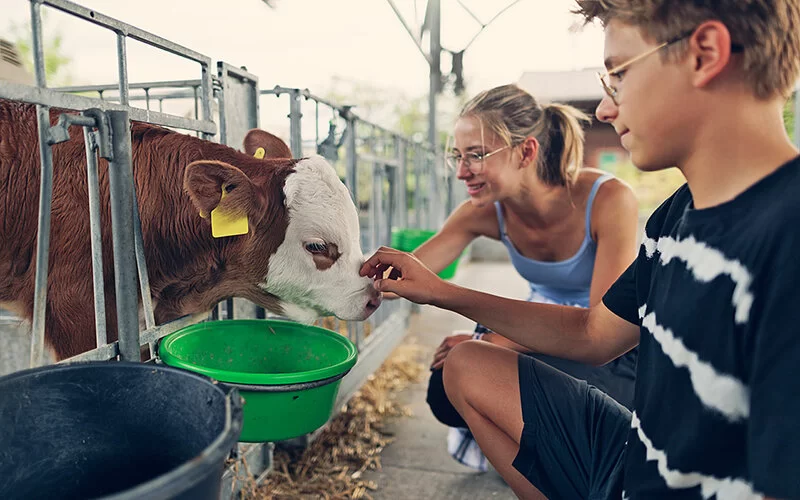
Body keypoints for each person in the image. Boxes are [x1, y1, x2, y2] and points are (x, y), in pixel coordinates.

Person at [361, 1, 800, 498]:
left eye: (618, 74)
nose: (606, 108)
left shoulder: (784, 234)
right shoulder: (673, 218)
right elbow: (594, 332)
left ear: (705, 53)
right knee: (462, 368)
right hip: (638, 455)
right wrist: (443, 293)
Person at [397, 83, 640, 471]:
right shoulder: (483, 210)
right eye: (457, 157)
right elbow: (408, 273)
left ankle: (574, 460)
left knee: (489, 367)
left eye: (475, 156)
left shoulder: (608, 199)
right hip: (538, 329)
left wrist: (491, 340)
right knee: (443, 386)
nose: (462, 172)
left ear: (526, 151)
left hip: (609, 347)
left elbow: (600, 328)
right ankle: (542, 463)